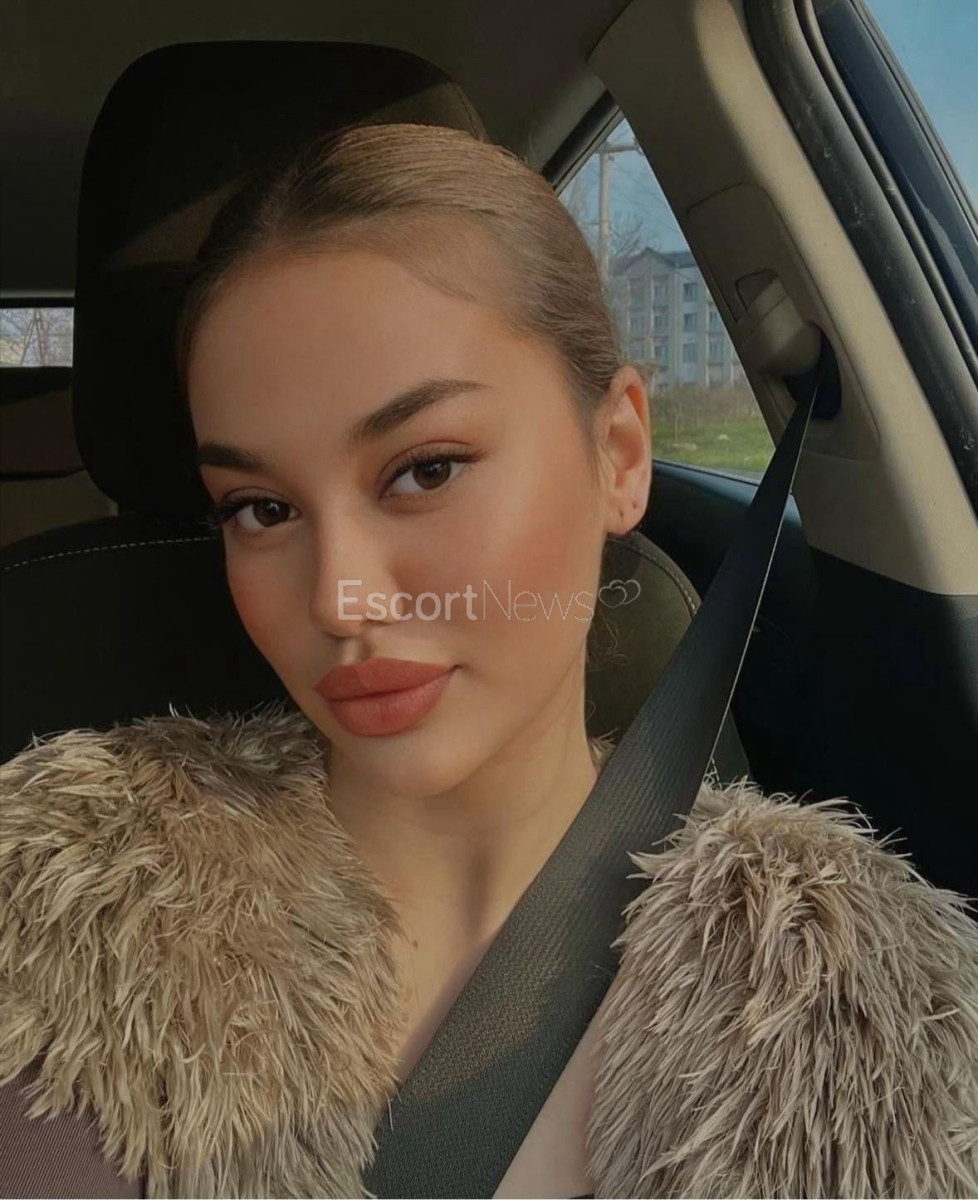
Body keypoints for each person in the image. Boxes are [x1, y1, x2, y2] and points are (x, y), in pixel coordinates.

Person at [2, 122, 977, 1200]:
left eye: (425, 470)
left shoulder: (864, 1000)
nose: (340, 601)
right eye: (261, 509)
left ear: (620, 455)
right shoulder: (47, 908)